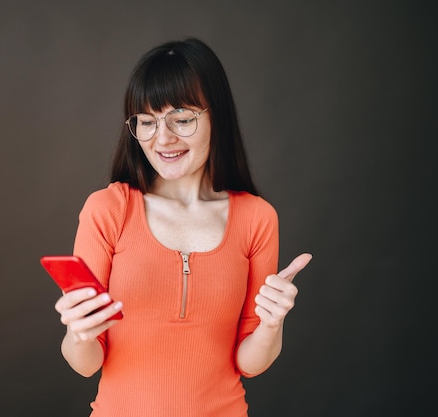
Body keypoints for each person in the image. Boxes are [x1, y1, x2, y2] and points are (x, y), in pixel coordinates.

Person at [53, 37, 312, 417]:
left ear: (216, 117)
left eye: (183, 119)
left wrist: (272, 324)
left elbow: (251, 363)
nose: (163, 138)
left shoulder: (257, 218)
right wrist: (79, 332)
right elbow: (85, 362)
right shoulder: (108, 209)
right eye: (147, 121)